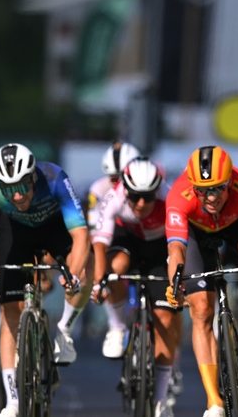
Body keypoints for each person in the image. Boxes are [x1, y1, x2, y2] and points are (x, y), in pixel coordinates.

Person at [0, 143, 92, 417]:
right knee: (10, 314)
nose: (16, 194)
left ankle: (64, 331)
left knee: (87, 268)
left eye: (23, 186)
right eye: (8, 188)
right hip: (16, 234)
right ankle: (13, 400)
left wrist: (72, 273)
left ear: (33, 178)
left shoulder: (55, 178)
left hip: (54, 228)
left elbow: (81, 236)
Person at [165, 146, 238, 417]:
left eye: (218, 188)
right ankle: (213, 400)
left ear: (230, 182)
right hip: (196, 234)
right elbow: (176, 249)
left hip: (236, 227)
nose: (210, 197)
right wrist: (175, 283)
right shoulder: (178, 196)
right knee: (201, 311)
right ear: (193, 188)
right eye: (202, 190)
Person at [90, 156, 179, 417]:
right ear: (125, 190)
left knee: (164, 317)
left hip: (160, 249)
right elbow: (100, 245)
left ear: (157, 191)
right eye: (135, 197)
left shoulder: (169, 199)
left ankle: (161, 398)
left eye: (148, 197)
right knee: (114, 269)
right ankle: (117, 328)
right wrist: (99, 282)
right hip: (127, 241)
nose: (141, 204)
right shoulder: (114, 197)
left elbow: (177, 246)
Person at [86, 141, 141, 357]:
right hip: (118, 236)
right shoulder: (99, 190)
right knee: (111, 273)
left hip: (148, 235)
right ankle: (117, 326)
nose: (117, 183)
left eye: (122, 177)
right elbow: (95, 232)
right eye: (113, 178)